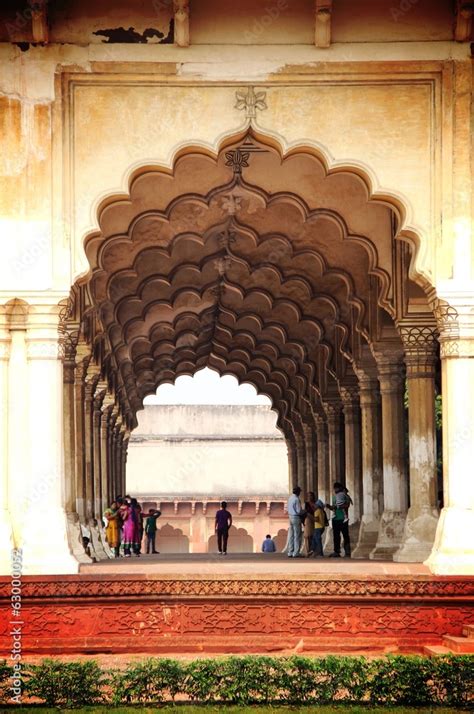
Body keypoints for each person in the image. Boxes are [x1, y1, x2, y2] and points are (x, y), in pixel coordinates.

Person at [326, 482, 351, 558]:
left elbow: (347, 505)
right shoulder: (334, 497)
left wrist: (340, 506)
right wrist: (329, 507)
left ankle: (347, 551)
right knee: (336, 536)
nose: (335, 489)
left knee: (345, 535)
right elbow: (334, 507)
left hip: (343, 519)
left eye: (336, 488)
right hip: (335, 519)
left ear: (340, 488)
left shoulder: (345, 496)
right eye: (334, 488)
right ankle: (336, 551)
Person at [287, 485, 304, 557]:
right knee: (297, 535)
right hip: (296, 518)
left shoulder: (290, 498)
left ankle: (290, 552)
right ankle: (296, 552)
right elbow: (298, 511)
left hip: (290, 517)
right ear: (298, 492)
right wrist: (304, 512)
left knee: (291, 535)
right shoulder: (296, 499)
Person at [303, 491, 316, 556]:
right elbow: (305, 512)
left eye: (311, 496)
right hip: (308, 520)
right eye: (309, 496)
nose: (310, 497)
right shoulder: (306, 504)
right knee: (307, 536)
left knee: (313, 536)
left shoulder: (315, 503)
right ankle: (307, 551)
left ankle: (313, 551)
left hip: (316, 521)